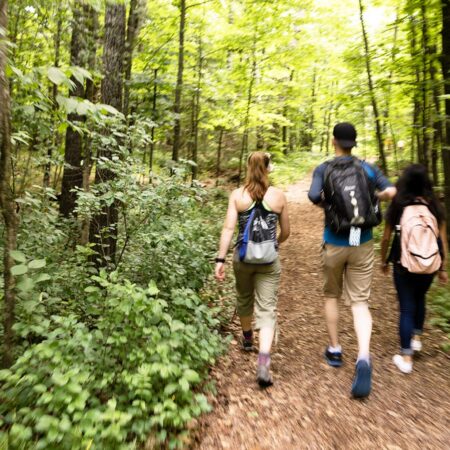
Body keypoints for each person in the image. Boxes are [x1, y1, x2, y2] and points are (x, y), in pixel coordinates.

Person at [308, 122, 396, 399]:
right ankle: (364, 356)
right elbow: (391, 192)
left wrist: (330, 205)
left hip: (334, 240)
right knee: (359, 302)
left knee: (331, 295)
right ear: (353, 142)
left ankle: (335, 350)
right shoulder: (367, 168)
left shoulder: (324, 169)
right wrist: (376, 196)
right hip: (363, 240)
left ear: (334, 140)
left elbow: (313, 195)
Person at [215, 151, 290, 387]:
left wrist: (220, 259)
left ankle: (248, 339)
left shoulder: (237, 195)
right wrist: (274, 242)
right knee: (267, 308)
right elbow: (287, 231)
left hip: (243, 258)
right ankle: (264, 361)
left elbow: (228, 229)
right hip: (269, 261)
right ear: (268, 168)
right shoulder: (278, 196)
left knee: (244, 297)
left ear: (248, 168)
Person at [381, 164, 448, 373]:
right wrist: (442, 267)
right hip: (429, 263)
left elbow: (385, 237)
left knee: (406, 307)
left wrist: (383, 260)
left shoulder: (398, 204)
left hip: (403, 263)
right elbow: (442, 241)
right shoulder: (435, 206)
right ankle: (417, 338)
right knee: (420, 299)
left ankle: (406, 358)